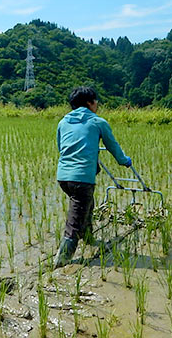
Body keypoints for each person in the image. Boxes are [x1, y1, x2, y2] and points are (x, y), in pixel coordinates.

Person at [53, 86, 131, 268]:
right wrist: (124, 161)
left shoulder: (63, 122)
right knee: (75, 221)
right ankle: (61, 262)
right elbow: (113, 146)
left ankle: (88, 237)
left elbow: (61, 147)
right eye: (96, 101)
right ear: (89, 103)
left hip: (63, 177)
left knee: (85, 205)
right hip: (81, 178)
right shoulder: (98, 122)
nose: (97, 105)